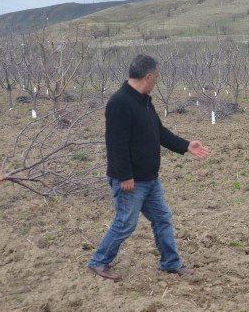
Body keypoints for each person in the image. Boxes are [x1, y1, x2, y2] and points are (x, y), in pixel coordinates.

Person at [87, 54, 210, 281]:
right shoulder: (120, 103)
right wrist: (124, 175)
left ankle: (170, 263)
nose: (156, 81)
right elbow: (115, 143)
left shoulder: (144, 101)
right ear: (148, 76)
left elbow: (159, 132)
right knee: (125, 223)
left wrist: (185, 146)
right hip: (131, 180)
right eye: (156, 77)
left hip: (150, 179)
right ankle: (98, 262)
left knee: (162, 218)